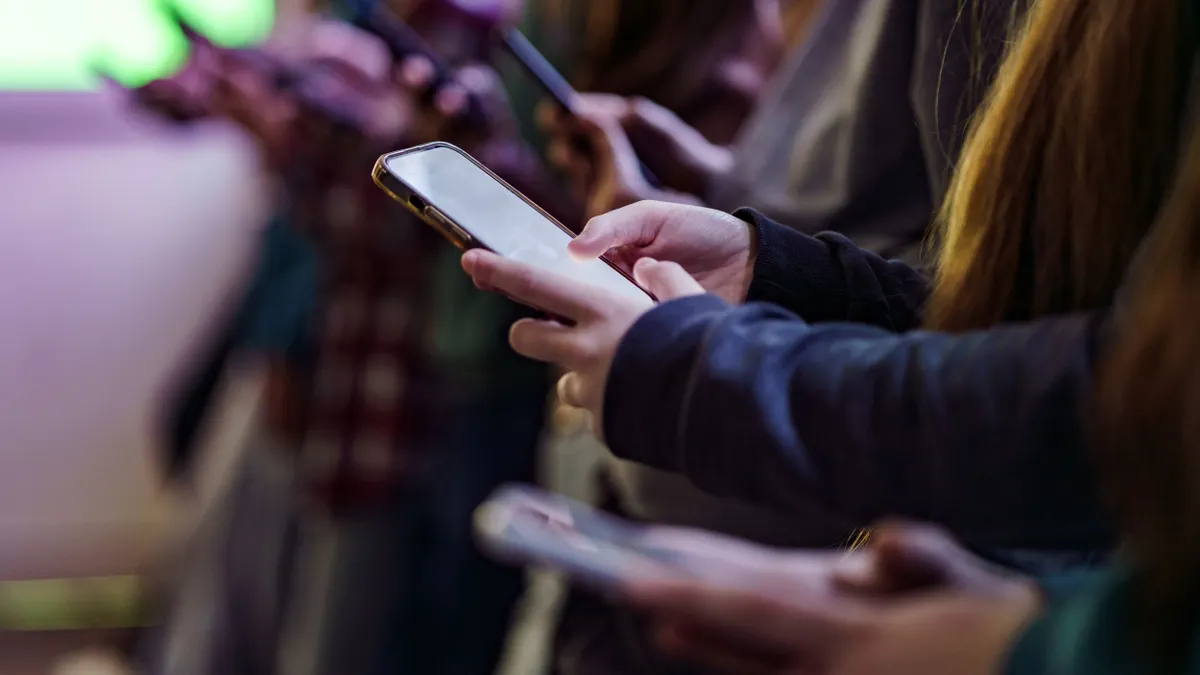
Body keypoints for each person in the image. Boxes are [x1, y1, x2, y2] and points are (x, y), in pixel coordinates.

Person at [463, 0, 1193, 556]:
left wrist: (717, 374)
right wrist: (769, 262)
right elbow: (994, 301)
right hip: (742, 508)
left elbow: (1122, 387)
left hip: (857, 545)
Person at [140, 6, 562, 674]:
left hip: (416, 381)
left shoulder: (475, 38)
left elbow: (404, 236)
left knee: (378, 622)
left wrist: (331, 143)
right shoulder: (358, 36)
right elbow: (326, 229)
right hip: (360, 371)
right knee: (291, 602)